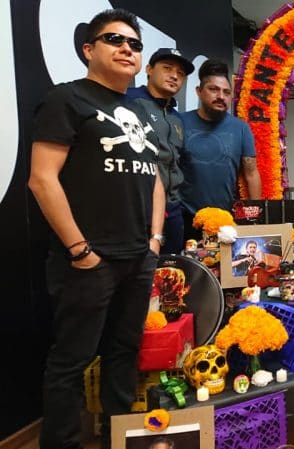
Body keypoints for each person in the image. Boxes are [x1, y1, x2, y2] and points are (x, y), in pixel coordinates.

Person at [28, 9, 164, 449]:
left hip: (136, 257)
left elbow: (155, 178)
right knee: (71, 362)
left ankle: (119, 437)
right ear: (89, 49)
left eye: (135, 44)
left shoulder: (139, 111)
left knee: (124, 355)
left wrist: (154, 241)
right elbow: (41, 178)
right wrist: (79, 249)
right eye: (114, 39)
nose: (128, 48)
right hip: (88, 260)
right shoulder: (67, 100)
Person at [179, 59, 262, 241]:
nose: (221, 96)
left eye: (226, 92)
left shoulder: (240, 128)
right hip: (185, 217)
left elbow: (251, 172)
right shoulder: (180, 122)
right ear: (199, 92)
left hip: (226, 220)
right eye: (213, 89)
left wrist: (255, 217)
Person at [128, 48, 194, 254]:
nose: (174, 76)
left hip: (172, 209)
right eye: (167, 68)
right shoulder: (129, 101)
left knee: (172, 272)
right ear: (148, 69)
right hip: (139, 209)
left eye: (181, 73)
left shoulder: (176, 118)